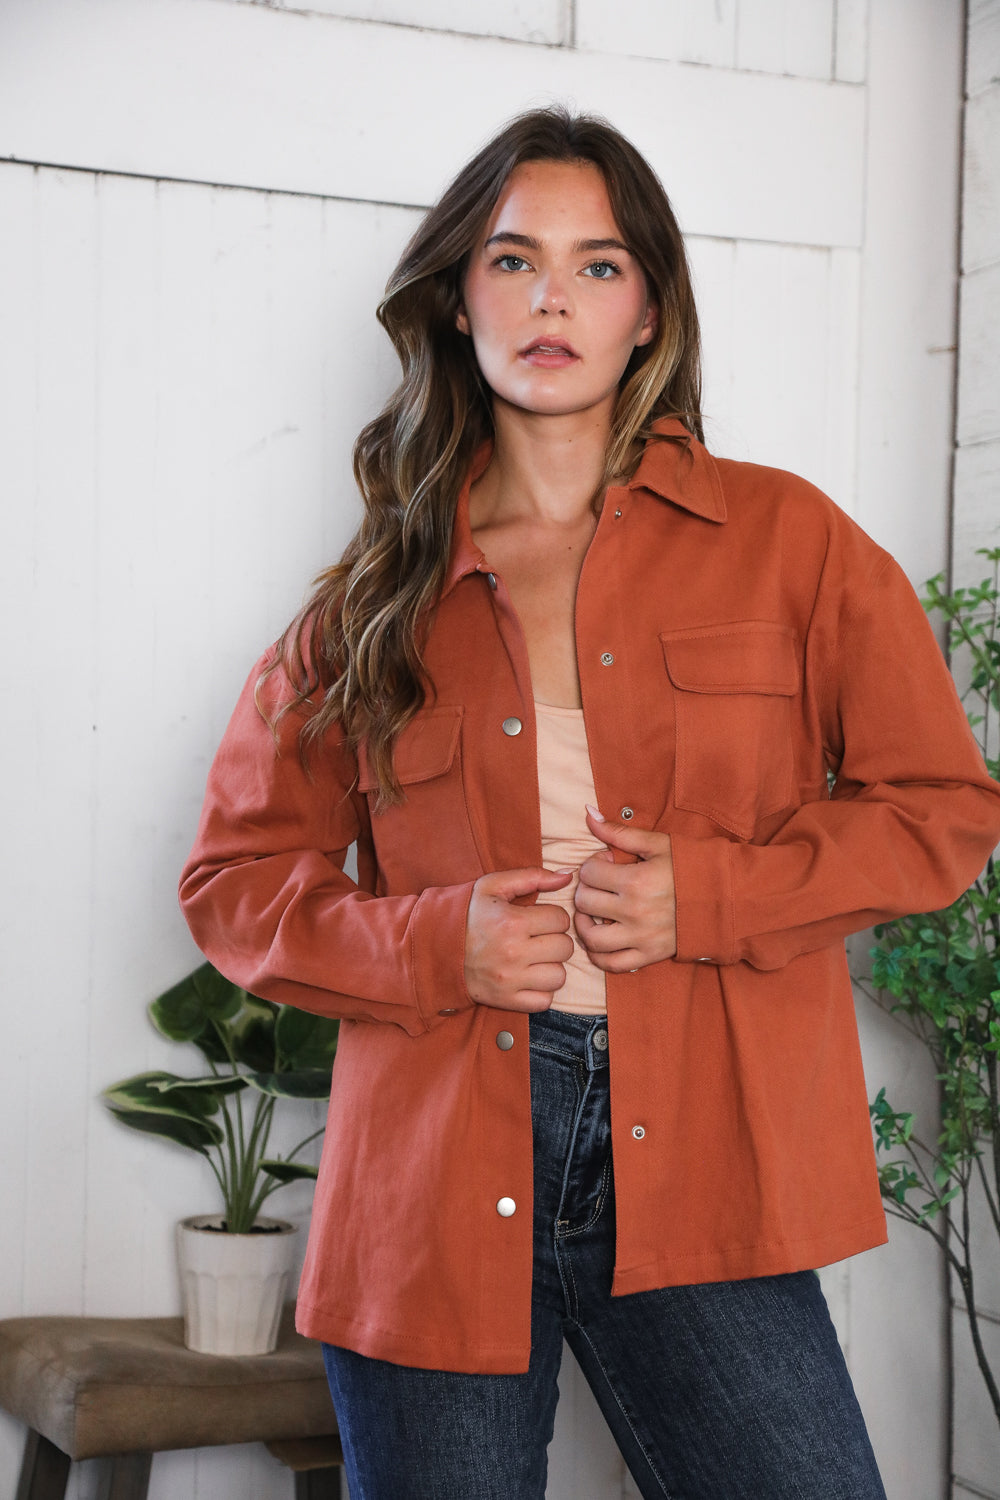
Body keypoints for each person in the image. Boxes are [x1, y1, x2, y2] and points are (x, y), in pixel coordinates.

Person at [180, 107, 1000, 1499]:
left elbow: (942, 808)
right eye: (513, 260)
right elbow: (233, 880)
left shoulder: (789, 542)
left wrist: (713, 894)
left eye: (598, 265)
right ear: (458, 300)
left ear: (649, 311)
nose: (552, 297)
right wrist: (434, 943)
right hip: (433, 1183)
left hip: (708, 1156)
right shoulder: (376, 596)